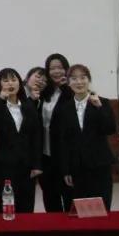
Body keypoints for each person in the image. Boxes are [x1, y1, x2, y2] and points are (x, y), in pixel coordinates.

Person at [56, 64, 116, 210]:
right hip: (76, 166)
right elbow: (63, 142)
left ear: (89, 80)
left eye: (83, 78)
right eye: (74, 78)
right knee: (79, 208)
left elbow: (110, 129)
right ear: (68, 82)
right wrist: (66, 170)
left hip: (99, 163)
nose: (79, 82)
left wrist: (99, 108)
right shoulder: (65, 108)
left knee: (101, 207)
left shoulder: (102, 102)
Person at [0, 68, 42, 213]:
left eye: (13, 80)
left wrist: (37, 164)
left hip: (27, 164)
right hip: (5, 164)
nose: (10, 83)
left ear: (19, 83)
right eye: (5, 81)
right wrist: (1, 100)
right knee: (7, 204)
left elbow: (36, 136)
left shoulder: (28, 105)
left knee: (27, 204)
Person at [40, 53, 73, 213]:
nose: (56, 71)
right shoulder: (44, 92)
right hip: (45, 154)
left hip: (65, 153)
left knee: (68, 194)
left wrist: (66, 87)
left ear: (66, 69)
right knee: (50, 196)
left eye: (60, 67)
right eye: (52, 68)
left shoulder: (71, 91)